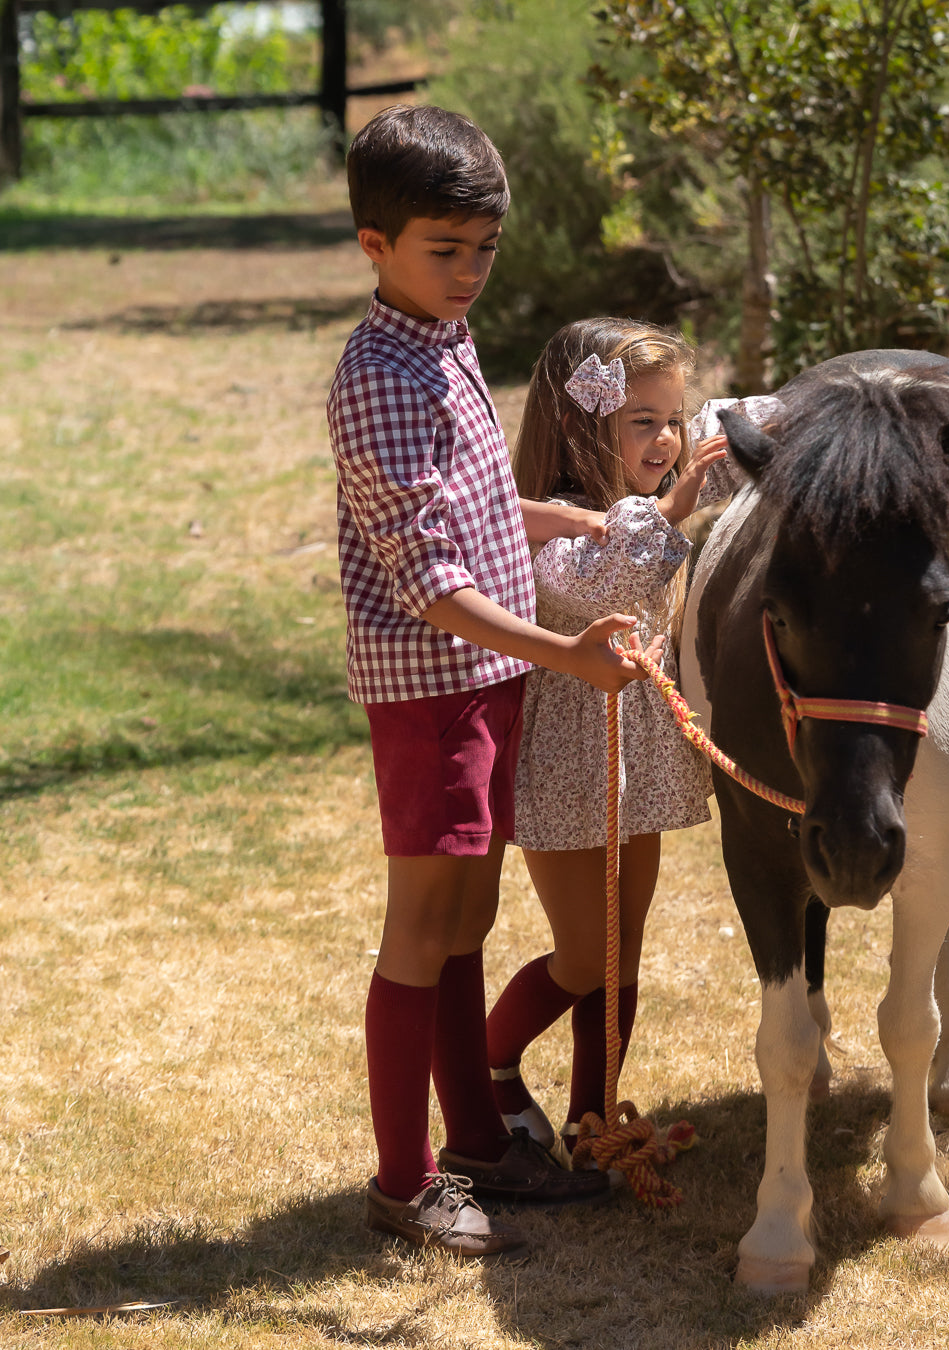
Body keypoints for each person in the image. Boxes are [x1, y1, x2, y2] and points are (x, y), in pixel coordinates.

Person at [327, 106, 659, 1262]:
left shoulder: (445, 343)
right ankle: (403, 1178)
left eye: (483, 249)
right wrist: (564, 653)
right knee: (422, 926)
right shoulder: (378, 376)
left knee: (467, 912)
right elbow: (426, 574)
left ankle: (473, 1136)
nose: (468, 273)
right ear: (375, 244)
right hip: (435, 686)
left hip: (484, 675)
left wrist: (556, 516)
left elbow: (469, 507)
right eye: (442, 249)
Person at [487, 317, 743, 1164]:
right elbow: (604, 579)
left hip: (636, 759)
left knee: (622, 951)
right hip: (568, 763)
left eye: (674, 418)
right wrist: (670, 510)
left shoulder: (649, 496)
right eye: (644, 421)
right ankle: (487, 1060)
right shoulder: (554, 518)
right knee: (582, 953)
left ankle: (590, 1121)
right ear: (578, 423)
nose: (668, 438)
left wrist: (801, 414)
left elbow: (744, 434)